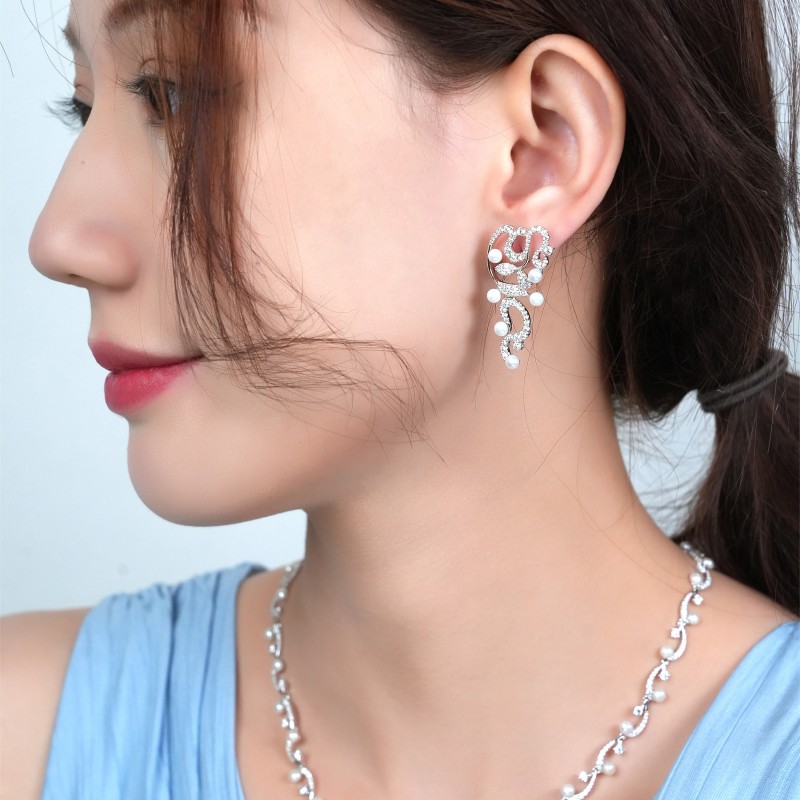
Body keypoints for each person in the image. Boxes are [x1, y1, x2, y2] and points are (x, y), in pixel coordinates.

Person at [1, 0, 798, 798]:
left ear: (538, 150)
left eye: (174, 93)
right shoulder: (25, 740)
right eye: (84, 108)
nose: (58, 238)